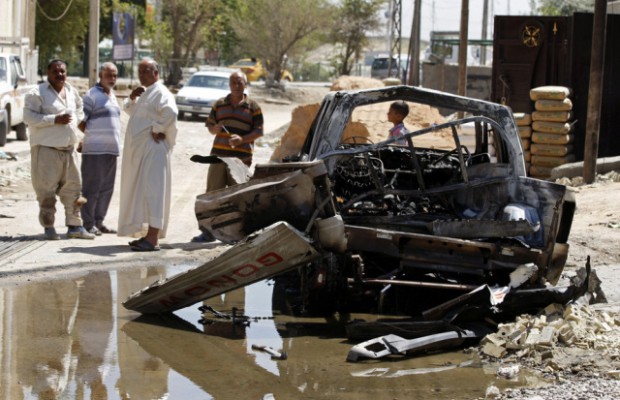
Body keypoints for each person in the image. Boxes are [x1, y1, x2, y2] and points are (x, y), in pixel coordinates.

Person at [24, 59, 95, 240]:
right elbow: (28, 117)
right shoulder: (37, 92)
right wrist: (54, 119)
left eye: (63, 71)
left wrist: (79, 128)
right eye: (56, 71)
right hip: (46, 151)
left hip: (69, 150)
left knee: (74, 190)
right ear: (48, 73)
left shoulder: (70, 90)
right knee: (46, 192)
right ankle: (49, 228)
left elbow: (79, 109)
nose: (60, 74)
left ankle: (74, 227)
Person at [192, 71, 264, 243]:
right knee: (213, 194)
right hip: (218, 157)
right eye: (233, 82)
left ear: (246, 85)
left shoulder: (253, 106)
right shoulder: (219, 104)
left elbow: (259, 131)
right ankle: (208, 232)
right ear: (229, 85)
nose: (236, 85)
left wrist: (242, 139)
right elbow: (209, 124)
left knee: (239, 196)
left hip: (240, 160)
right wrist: (214, 129)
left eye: (240, 82)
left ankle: (240, 233)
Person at [117, 59, 178, 252]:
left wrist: (158, 128)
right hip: (142, 153)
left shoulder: (161, 92)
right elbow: (131, 111)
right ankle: (147, 235)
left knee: (154, 193)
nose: (142, 75)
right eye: (140, 71)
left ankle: (153, 239)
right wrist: (133, 98)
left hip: (154, 151)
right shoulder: (146, 92)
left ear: (156, 73)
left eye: (146, 71)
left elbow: (171, 112)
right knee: (143, 193)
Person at [78, 62, 121, 236]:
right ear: (101, 76)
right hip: (94, 151)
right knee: (91, 188)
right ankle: (88, 223)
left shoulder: (113, 95)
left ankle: (99, 221)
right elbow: (81, 121)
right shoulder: (91, 95)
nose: (112, 79)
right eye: (109, 75)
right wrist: (91, 137)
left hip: (111, 150)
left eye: (115, 75)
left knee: (106, 189)